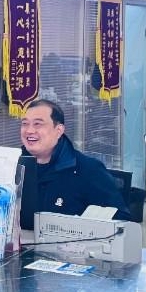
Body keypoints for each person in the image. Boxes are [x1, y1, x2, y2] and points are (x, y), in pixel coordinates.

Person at [18, 99, 130, 230]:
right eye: (25, 124)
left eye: (38, 124)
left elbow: (121, 221)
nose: (29, 130)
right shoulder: (13, 166)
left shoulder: (89, 170)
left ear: (58, 130)